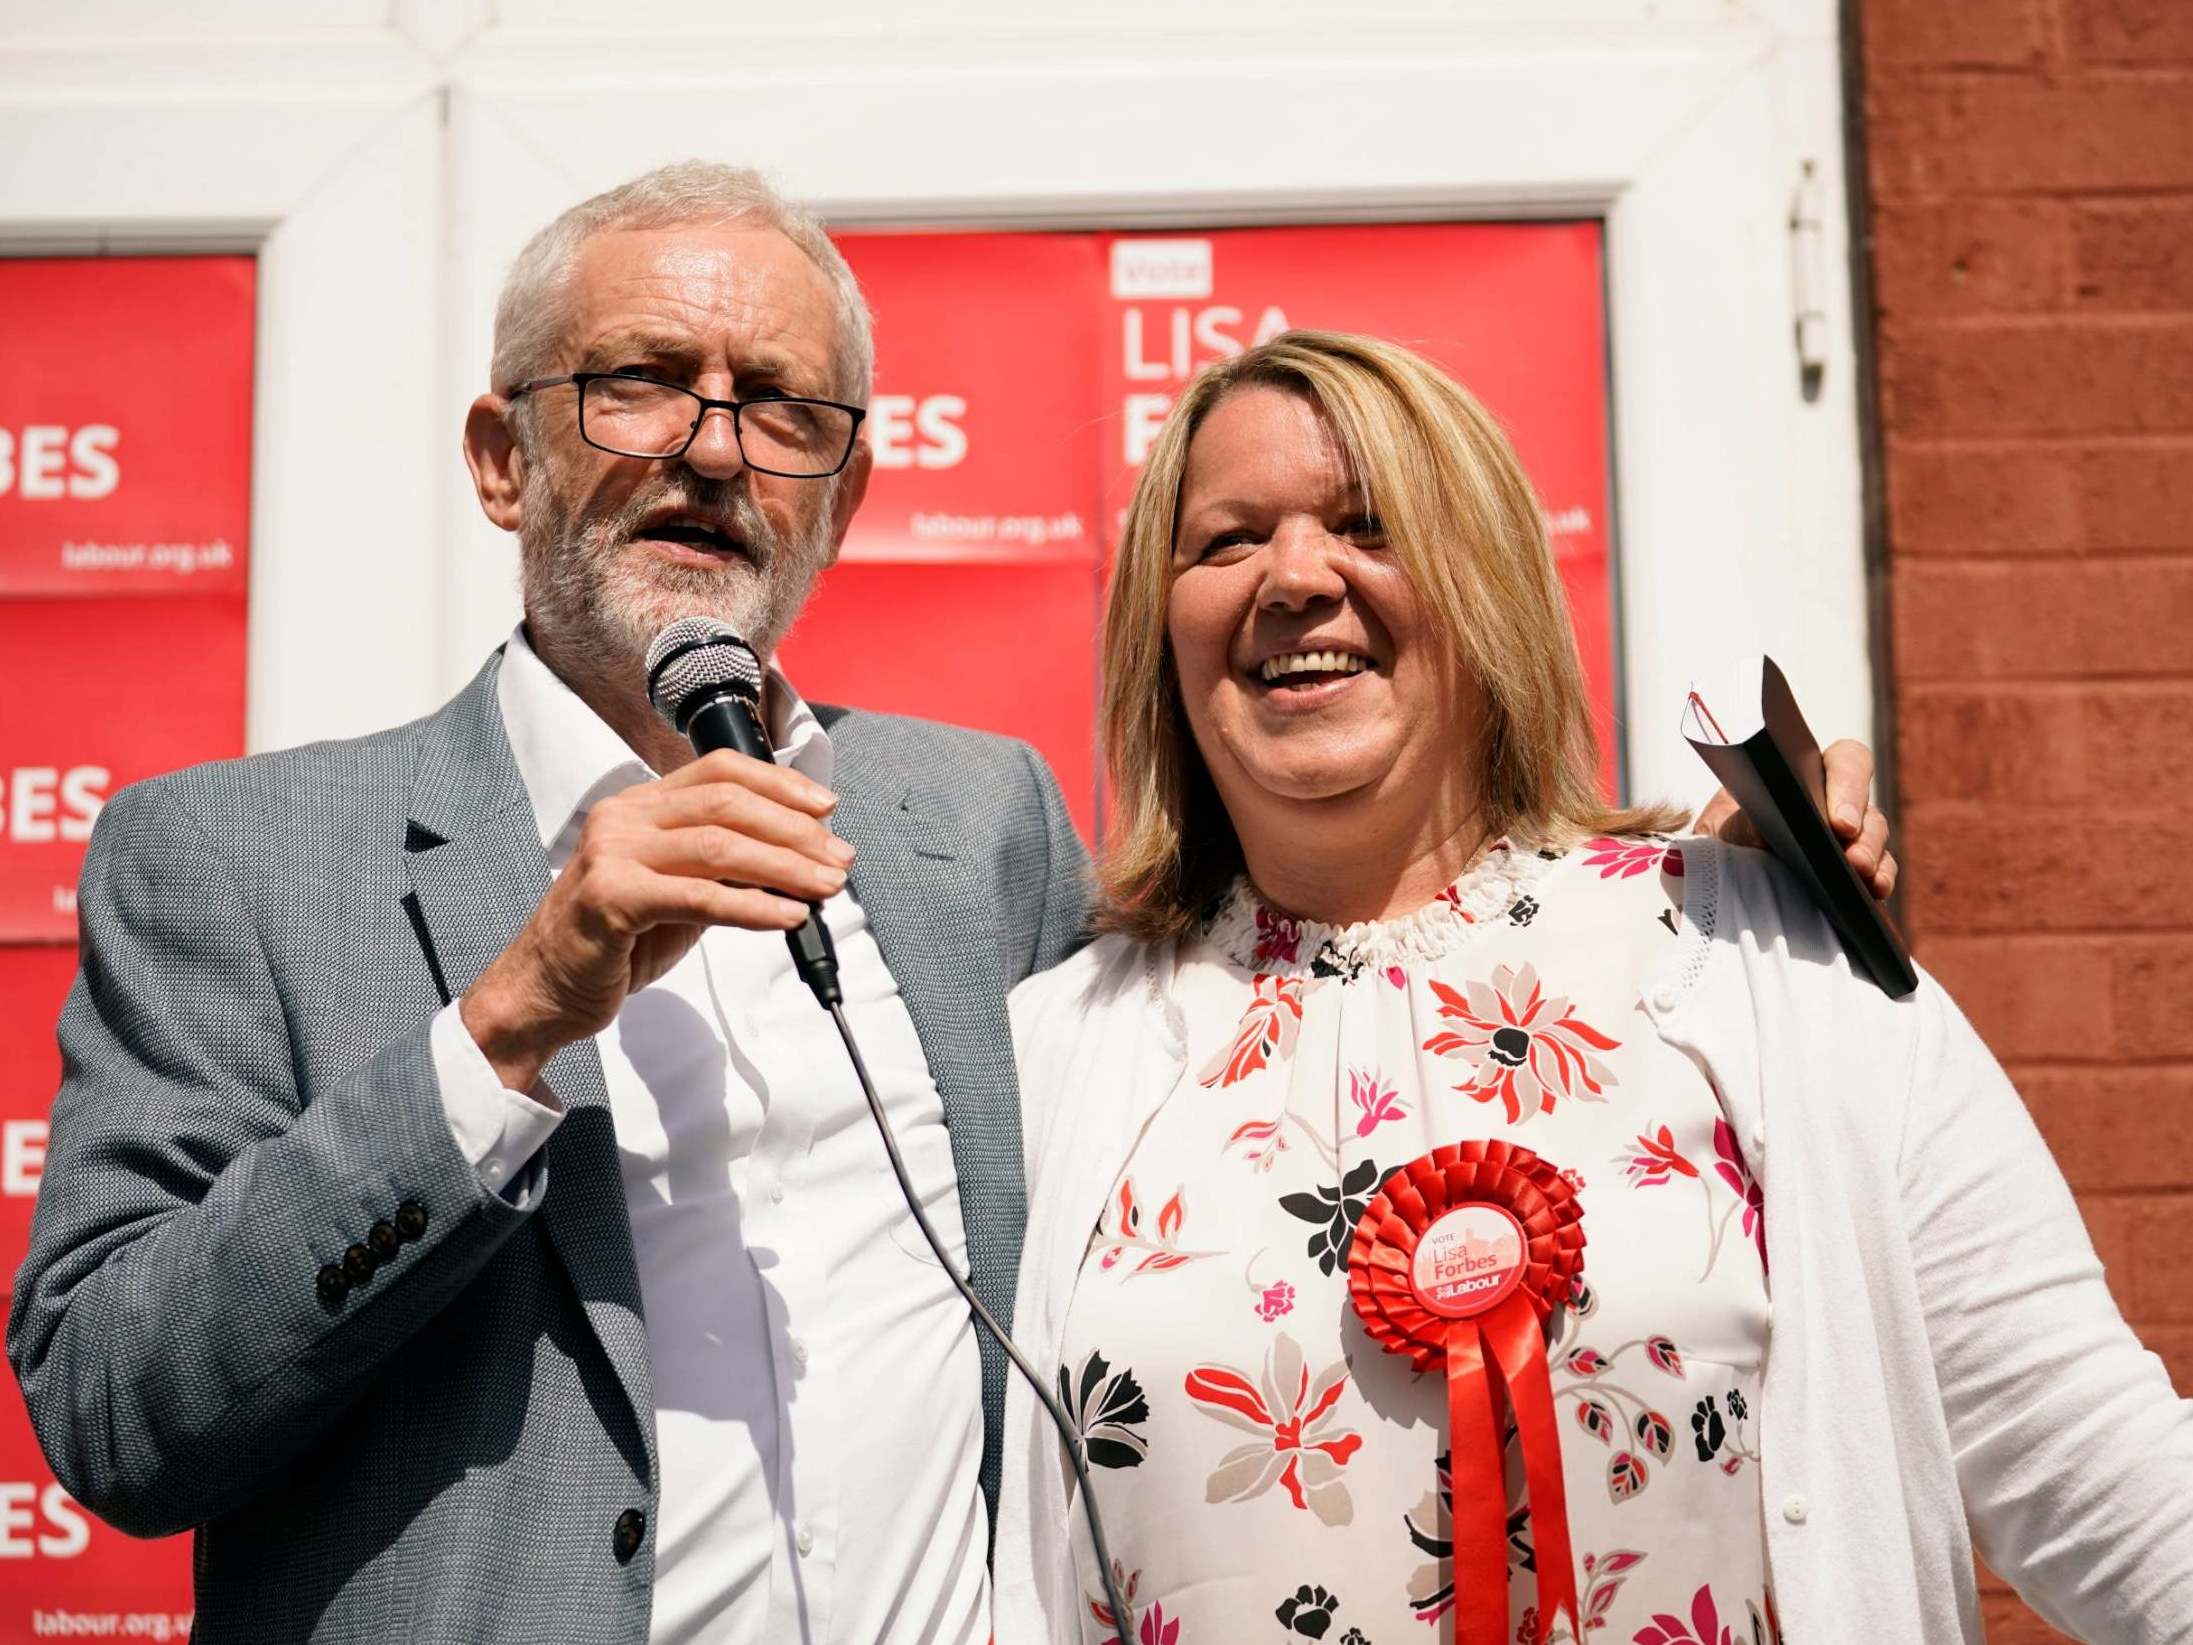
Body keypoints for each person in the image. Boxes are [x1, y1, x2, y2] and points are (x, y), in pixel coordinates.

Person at [6, 165, 1888, 1645]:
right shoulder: (232, 859)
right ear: (504, 454)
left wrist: (1685, 872)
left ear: (845, 488)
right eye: (643, 381)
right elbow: (114, 1411)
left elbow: (1305, 973)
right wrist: (507, 1022)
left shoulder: (968, 820)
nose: (714, 446)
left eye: (779, 406)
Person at [994, 331, 2193, 1645]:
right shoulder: (1056, 1056)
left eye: (1368, 523)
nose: (1293, 576)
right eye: (1224, 541)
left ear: (1486, 579)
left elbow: (2097, 1469)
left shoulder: (1761, 961)